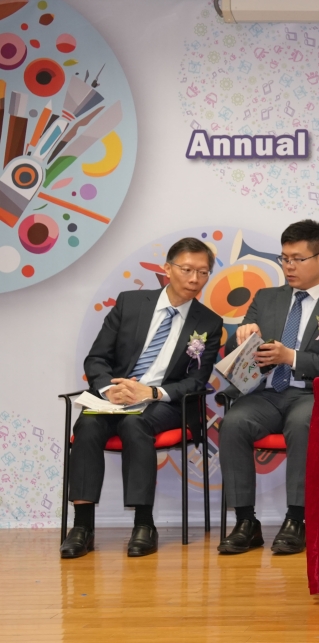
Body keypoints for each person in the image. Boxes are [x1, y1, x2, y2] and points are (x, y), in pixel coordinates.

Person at [60, 237, 223, 559]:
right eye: (187, 269)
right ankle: (82, 526)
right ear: (167, 269)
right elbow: (97, 359)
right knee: (88, 427)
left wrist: (151, 393)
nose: (194, 279)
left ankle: (144, 524)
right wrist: (109, 389)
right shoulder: (130, 303)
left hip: (164, 403)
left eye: (203, 272)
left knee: (136, 426)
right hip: (115, 395)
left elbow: (196, 380)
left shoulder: (208, 322)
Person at [217, 219, 319, 556]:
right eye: (285, 258)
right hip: (266, 393)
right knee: (234, 423)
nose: (289, 266)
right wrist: (241, 339)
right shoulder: (266, 298)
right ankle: (245, 522)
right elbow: (234, 354)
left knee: (303, 423)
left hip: (310, 393)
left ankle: (297, 519)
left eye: (297, 259)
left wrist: (291, 357)